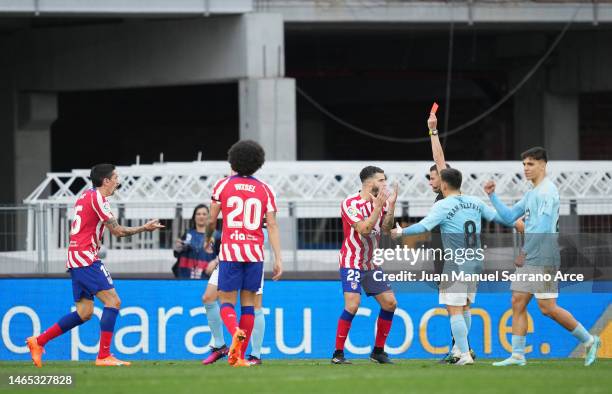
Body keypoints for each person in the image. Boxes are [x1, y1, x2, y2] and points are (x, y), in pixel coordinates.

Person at [26, 163, 164, 367]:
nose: (118, 181)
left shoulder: (85, 195)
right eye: (115, 177)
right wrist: (144, 228)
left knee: (84, 312)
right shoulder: (99, 198)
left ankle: (39, 341)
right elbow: (117, 232)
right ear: (106, 180)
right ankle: (103, 356)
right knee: (114, 302)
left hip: (75, 257)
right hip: (85, 258)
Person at [485, 147, 601, 367]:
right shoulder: (532, 193)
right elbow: (510, 216)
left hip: (543, 257)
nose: (526, 169)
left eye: (530, 164)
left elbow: (544, 227)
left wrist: (525, 252)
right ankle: (518, 355)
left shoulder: (547, 191)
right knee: (517, 302)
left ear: (543, 165)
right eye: (524, 165)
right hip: (532, 257)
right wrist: (493, 197)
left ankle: (589, 340)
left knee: (547, 307)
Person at [392, 168, 515, 365]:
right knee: (465, 307)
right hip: (475, 261)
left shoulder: (443, 205)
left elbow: (424, 226)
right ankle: (460, 349)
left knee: (454, 309)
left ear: (445, 184)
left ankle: (465, 355)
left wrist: (401, 231)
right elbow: (501, 218)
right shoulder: (475, 201)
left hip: (455, 263)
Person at [206, 140, 283, 367]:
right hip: (254, 253)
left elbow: (211, 220)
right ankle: (238, 355)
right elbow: (272, 225)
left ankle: (234, 333)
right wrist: (278, 257)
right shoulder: (265, 190)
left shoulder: (222, 185)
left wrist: (208, 236)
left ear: (233, 160)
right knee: (249, 305)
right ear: (258, 164)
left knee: (226, 301)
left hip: (231, 251)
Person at [331, 166, 398, 365]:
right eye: (381, 180)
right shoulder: (350, 204)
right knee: (352, 305)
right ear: (370, 183)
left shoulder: (383, 202)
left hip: (371, 263)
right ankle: (338, 354)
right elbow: (364, 229)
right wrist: (378, 207)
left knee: (390, 303)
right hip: (351, 262)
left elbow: (386, 229)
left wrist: (391, 206)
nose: (385, 184)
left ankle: (378, 351)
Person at [173, 204, 220, 279]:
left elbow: (225, 254)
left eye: (204, 214)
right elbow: (177, 253)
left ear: (209, 217)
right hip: (185, 278)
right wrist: (178, 247)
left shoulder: (216, 235)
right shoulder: (188, 234)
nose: (201, 216)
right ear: (194, 217)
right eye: (198, 214)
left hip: (207, 278)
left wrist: (216, 262)